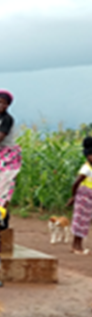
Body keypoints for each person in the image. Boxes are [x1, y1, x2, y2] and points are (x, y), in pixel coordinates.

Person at [0, 90, 22, 229]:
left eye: (3, 103)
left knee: (3, 192)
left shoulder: (7, 119)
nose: (0, 105)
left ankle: (3, 224)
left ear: (8, 105)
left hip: (7, 157)